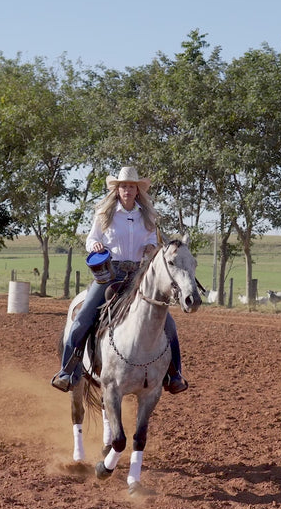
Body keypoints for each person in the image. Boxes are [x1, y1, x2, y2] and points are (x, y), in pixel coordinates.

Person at [51, 166, 187, 394]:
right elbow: (91, 239)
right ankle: (67, 371)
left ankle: (174, 375)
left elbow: (153, 241)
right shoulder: (105, 214)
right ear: (117, 189)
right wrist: (95, 245)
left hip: (139, 275)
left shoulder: (147, 216)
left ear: (137, 190)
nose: (127, 190)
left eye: (131, 186)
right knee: (83, 317)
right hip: (110, 274)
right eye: (123, 186)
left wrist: (150, 247)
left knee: (168, 323)